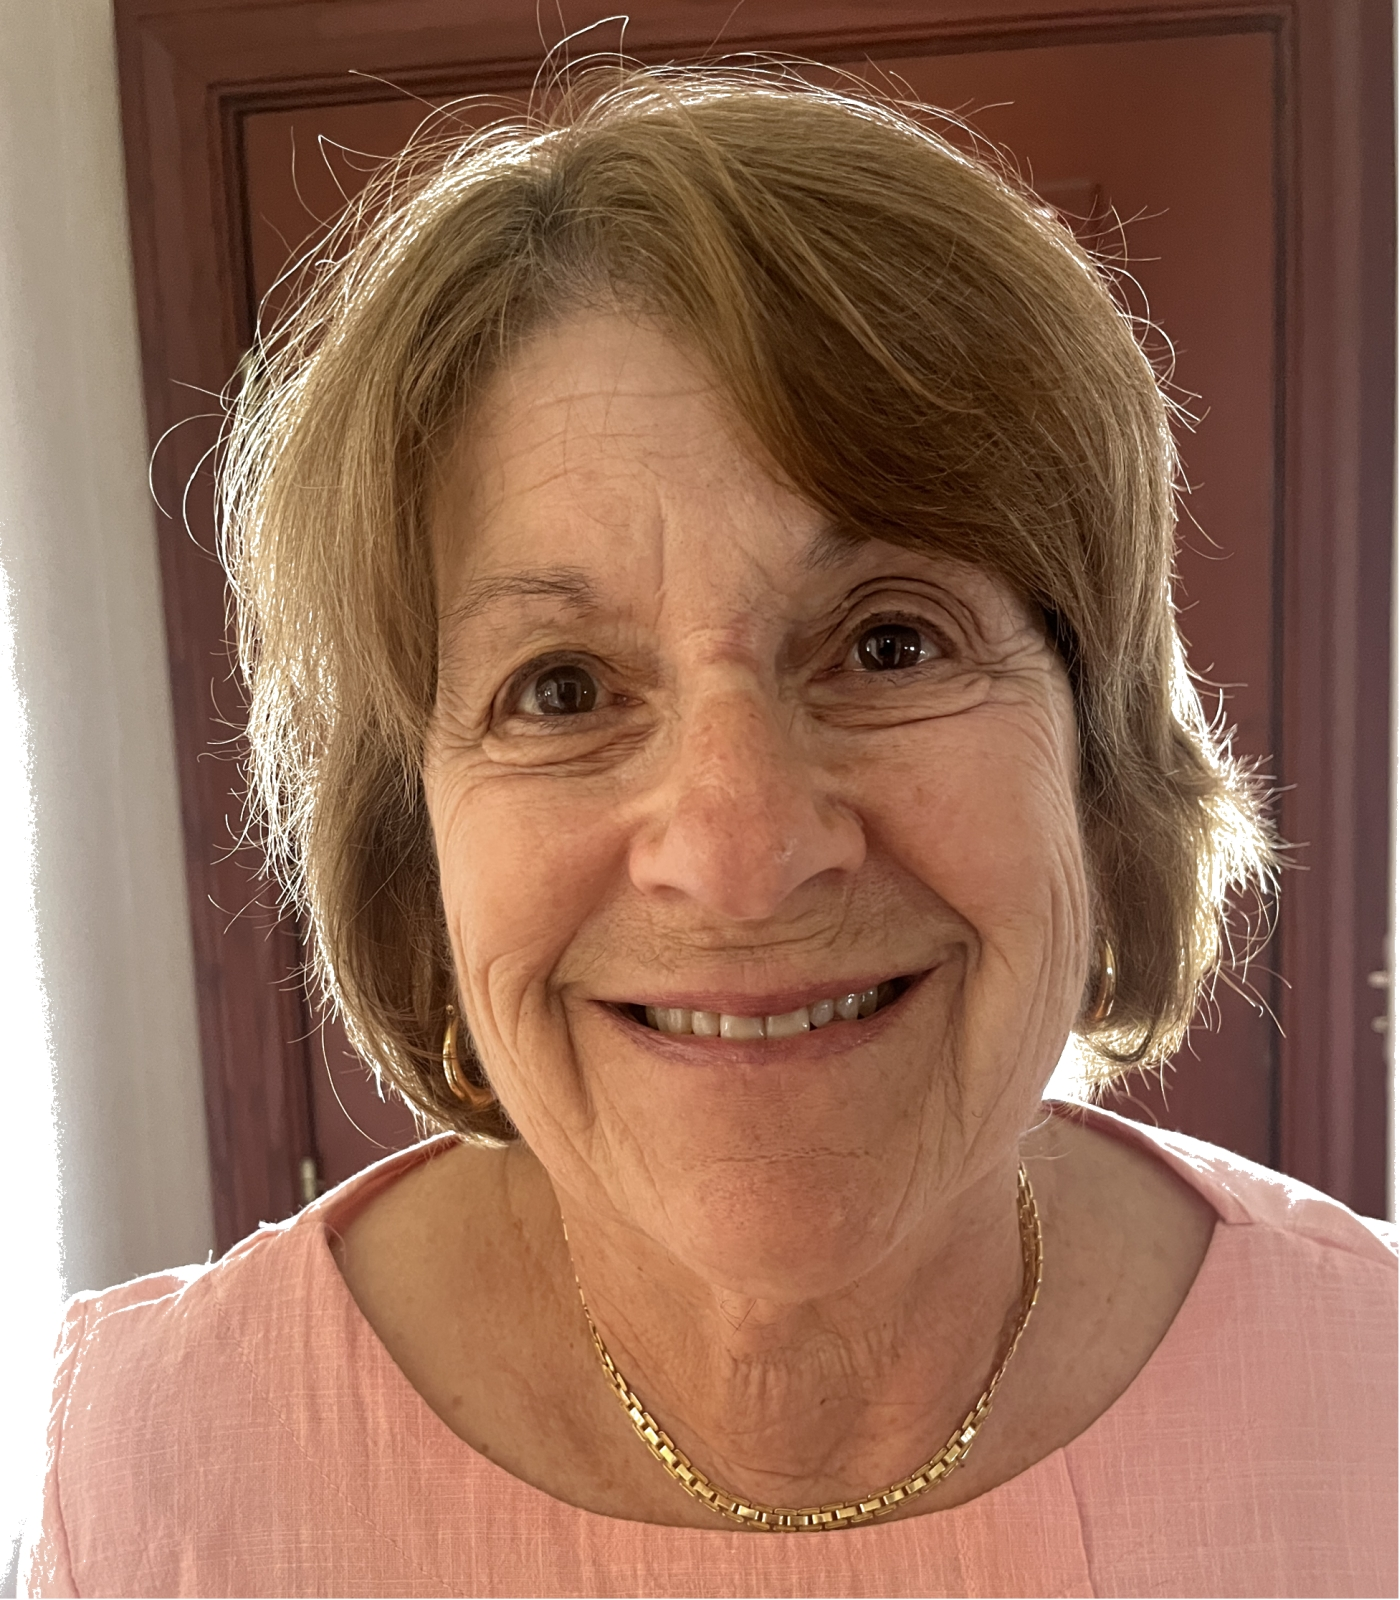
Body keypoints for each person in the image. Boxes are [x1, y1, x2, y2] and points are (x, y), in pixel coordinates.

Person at [23, 67, 1396, 1599]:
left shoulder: (1372, 1396)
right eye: (562, 688)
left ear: (1099, 756)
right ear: (413, 848)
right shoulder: (157, 1480)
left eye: (889, 643)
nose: (741, 854)